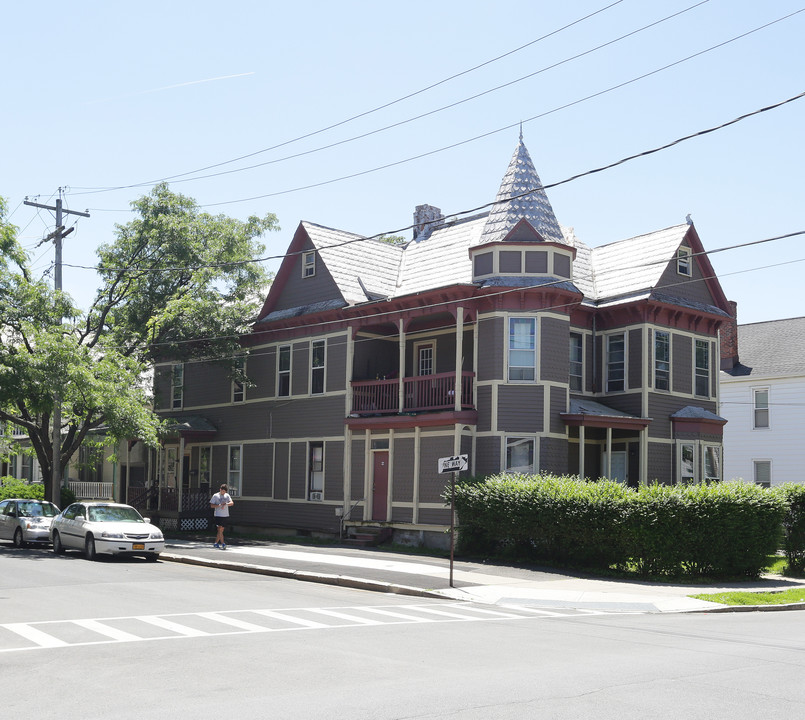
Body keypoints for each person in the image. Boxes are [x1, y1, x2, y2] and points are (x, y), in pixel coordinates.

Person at [210, 483, 234, 549]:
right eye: (222, 491)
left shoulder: (227, 495)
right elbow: (211, 505)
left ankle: (215, 543)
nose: (223, 493)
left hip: (225, 515)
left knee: (221, 530)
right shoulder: (215, 495)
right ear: (220, 489)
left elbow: (232, 503)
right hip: (218, 515)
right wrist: (219, 505)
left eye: (225, 491)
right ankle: (223, 543)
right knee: (219, 528)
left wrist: (226, 504)